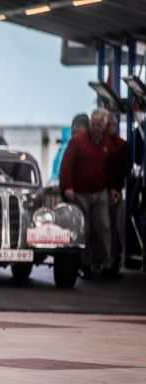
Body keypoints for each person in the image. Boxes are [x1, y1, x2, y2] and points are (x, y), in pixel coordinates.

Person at [60, 108, 118, 279]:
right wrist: (69, 187)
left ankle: (108, 265)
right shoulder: (77, 142)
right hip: (81, 193)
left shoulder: (107, 145)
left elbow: (111, 170)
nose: (96, 127)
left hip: (99, 193)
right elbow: (66, 166)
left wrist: (113, 188)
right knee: (83, 229)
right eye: (93, 124)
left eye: (99, 125)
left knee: (104, 228)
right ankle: (85, 265)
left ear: (104, 126)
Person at [106, 110, 131, 277]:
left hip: (113, 192)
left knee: (113, 228)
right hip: (104, 190)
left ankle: (113, 264)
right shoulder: (102, 144)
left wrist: (115, 189)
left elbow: (123, 169)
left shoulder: (121, 146)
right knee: (106, 228)